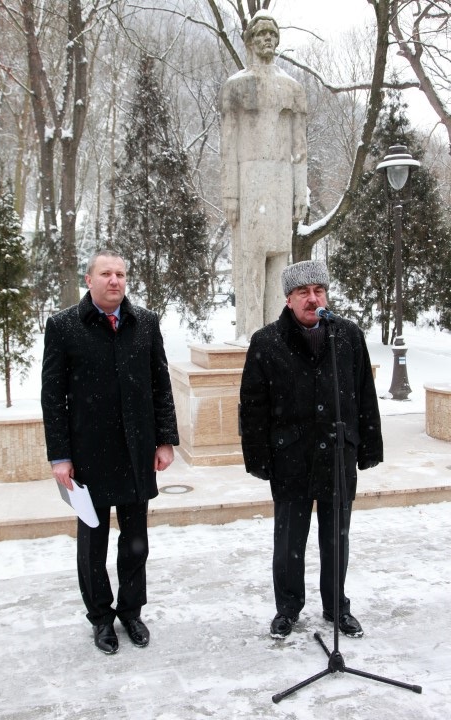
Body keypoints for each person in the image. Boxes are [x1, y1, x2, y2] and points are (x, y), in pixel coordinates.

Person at [41, 250, 179, 655]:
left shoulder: (145, 323)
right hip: (88, 456)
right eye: (106, 273)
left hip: (137, 452)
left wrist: (165, 440)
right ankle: (101, 618)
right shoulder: (64, 326)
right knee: (93, 543)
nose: (114, 280)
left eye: (120, 273)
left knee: (136, 541)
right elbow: (53, 397)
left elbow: (161, 384)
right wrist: (60, 456)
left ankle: (131, 612)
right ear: (89, 280)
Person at [239, 260, 383, 639]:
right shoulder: (267, 341)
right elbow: (253, 406)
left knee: (337, 538)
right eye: (303, 292)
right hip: (291, 457)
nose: (312, 298)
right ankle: (287, 609)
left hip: (337, 454)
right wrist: (258, 457)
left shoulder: (347, 335)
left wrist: (368, 446)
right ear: (288, 299)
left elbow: (364, 393)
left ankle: (337, 607)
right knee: (289, 540)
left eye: (318, 290)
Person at [220, 11, 307, 341]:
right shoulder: (237, 87)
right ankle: (252, 334)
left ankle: (276, 335)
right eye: (261, 33)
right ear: (250, 41)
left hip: (281, 179)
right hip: (249, 178)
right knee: (251, 257)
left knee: (280, 255)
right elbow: (228, 147)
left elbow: (300, 149)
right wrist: (231, 193)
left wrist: (300, 192)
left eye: (272, 33)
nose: (268, 38)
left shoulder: (292, 88)